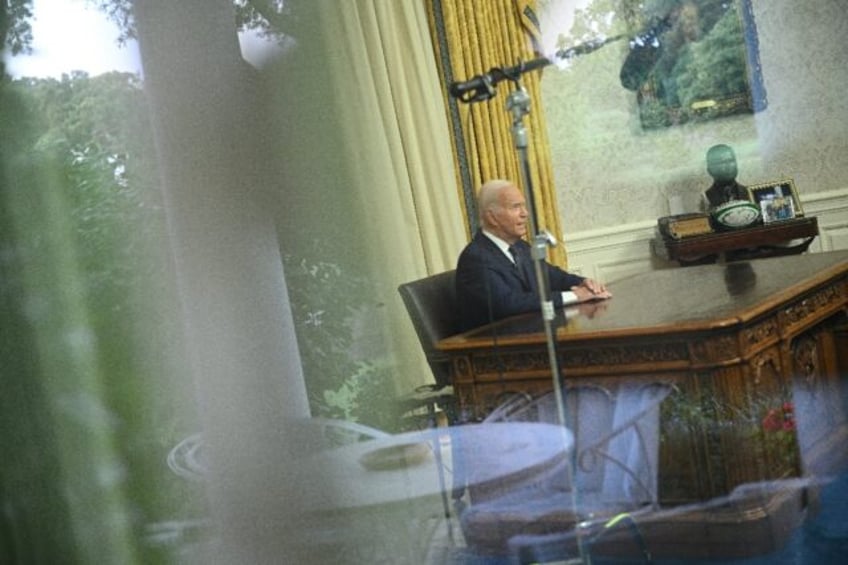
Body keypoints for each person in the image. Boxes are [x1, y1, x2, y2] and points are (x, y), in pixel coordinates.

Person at [455, 179, 611, 331]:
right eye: (516, 207)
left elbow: (552, 276)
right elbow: (509, 304)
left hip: (531, 334)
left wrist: (586, 284)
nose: (525, 214)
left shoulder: (520, 246)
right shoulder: (476, 258)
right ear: (492, 217)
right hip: (496, 348)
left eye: (524, 206)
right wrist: (574, 296)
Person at [702, 144, 750, 209]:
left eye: (731, 160)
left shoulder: (748, 192)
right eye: (721, 162)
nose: (728, 166)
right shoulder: (706, 199)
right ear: (710, 170)